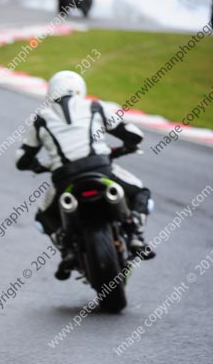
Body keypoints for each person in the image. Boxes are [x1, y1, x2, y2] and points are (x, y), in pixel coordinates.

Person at [15, 70, 154, 280]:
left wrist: (36, 166)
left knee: (43, 218)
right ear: (80, 89)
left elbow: (21, 160)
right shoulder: (95, 106)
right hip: (101, 168)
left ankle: (66, 250)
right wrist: (126, 147)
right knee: (141, 192)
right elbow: (135, 134)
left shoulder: (41, 119)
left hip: (65, 178)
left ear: (50, 92)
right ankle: (136, 234)